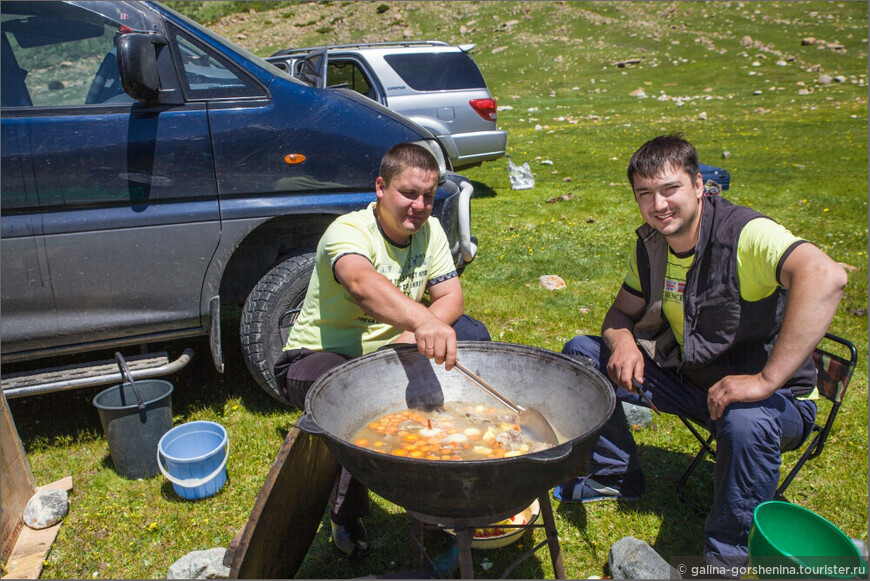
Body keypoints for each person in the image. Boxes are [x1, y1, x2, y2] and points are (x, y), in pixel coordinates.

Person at [554, 134, 847, 568]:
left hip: (774, 403)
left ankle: (724, 560)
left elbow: (826, 275)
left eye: (670, 189)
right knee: (582, 353)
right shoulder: (653, 244)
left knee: (745, 420)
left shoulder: (745, 234)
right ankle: (616, 474)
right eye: (645, 194)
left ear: (698, 185)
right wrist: (624, 342)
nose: (659, 205)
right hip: (692, 380)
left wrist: (765, 380)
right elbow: (620, 312)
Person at [275, 142, 490, 558]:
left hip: (393, 349)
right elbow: (360, 285)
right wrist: (424, 321)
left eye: (428, 196)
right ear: (380, 187)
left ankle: (459, 451)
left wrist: (419, 329)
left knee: (473, 334)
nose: (420, 205)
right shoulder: (349, 231)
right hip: (320, 355)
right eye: (408, 193)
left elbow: (450, 298)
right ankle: (345, 514)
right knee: (349, 397)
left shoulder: (430, 232)